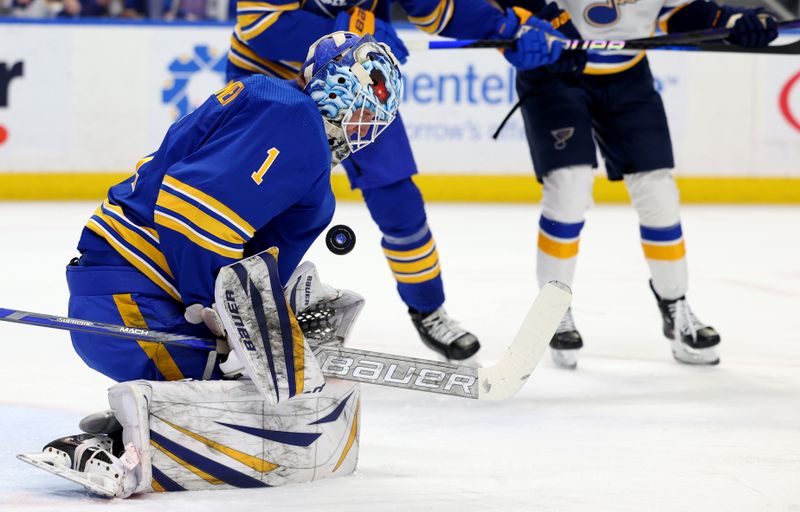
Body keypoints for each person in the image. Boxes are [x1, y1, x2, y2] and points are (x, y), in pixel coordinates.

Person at [18, 32, 402, 498]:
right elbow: (193, 210)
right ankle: (116, 442)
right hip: (130, 297)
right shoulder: (292, 115)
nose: (370, 122)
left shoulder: (299, 144)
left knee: (254, 385)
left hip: (142, 292)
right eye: (368, 102)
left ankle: (130, 427)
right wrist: (219, 308)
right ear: (336, 82)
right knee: (246, 394)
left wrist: (272, 312)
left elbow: (249, 257)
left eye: (379, 115)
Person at [224, 0, 565, 360]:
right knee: (262, 203)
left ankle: (429, 309)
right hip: (275, 81)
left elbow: (439, 8)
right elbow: (260, 24)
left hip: (358, 90)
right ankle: (242, 305)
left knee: (399, 202)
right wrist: (354, 30)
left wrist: (508, 28)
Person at [509, 0, 777, 367]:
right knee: (569, 185)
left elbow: (676, 11)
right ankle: (552, 309)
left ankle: (675, 305)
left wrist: (732, 20)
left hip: (627, 76)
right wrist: (540, 27)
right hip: (555, 73)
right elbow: (516, 9)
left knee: (658, 190)